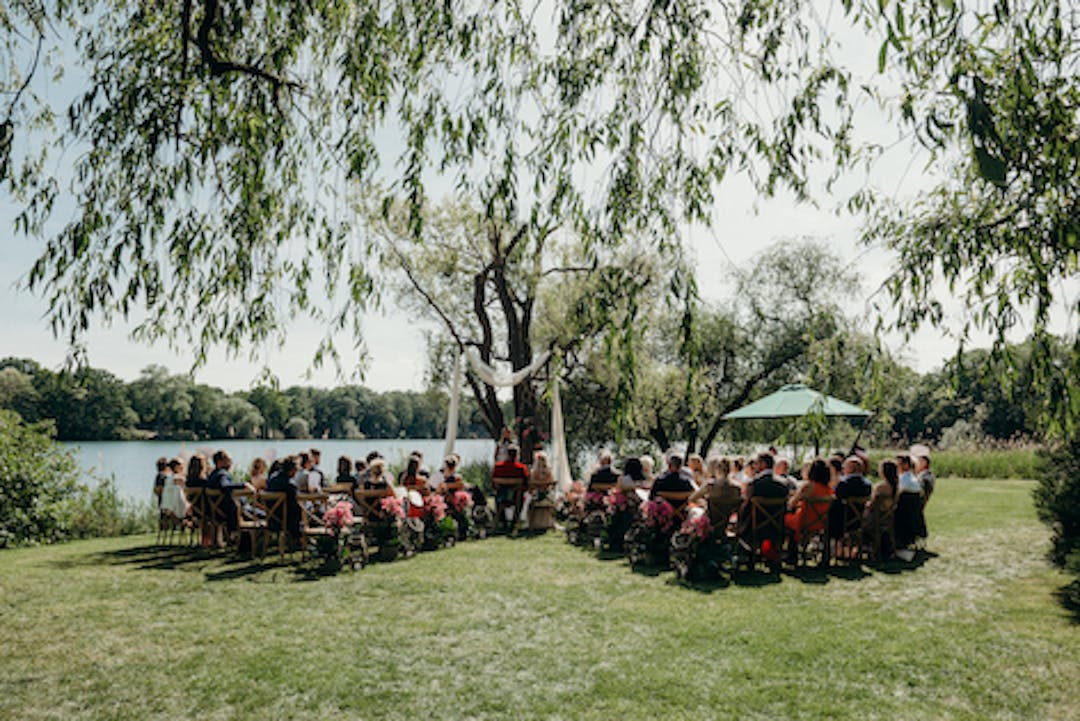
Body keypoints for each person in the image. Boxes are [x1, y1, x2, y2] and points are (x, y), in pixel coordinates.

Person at [785, 458, 834, 543]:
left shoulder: (808, 486)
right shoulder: (829, 489)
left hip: (804, 521)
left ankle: (789, 550)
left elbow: (792, 504)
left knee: (782, 519)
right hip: (822, 523)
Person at [690, 456, 741, 529]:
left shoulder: (710, 485)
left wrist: (703, 502)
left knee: (693, 510)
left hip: (710, 519)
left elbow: (691, 498)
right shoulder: (737, 488)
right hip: (728, 520)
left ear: (717, 469)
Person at [864, 459, 899, 555]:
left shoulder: (880, 487)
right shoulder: (896, 486)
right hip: (887, 518)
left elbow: (872, 505)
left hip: (875, 519)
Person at [492, 445, 529, 531]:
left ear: (507, 454)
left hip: (501, 496)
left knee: (498, 495)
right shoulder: (521, 468)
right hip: (516, 497)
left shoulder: (498, 467)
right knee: (520, 496)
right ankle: (514, 521)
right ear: (517, 455)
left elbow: (493, 484)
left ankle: (503, 522)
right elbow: (526, 483)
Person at [266, 456, 301, 540]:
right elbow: (294, 505)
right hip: (284, 519)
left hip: (270, 518)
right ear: (292, 470)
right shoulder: (289, 484)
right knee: (302, 510)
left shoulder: (272, 479)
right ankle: (299, 538)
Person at [526, 451, 556, 531]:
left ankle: (531, 524)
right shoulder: (547, 472)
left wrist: (538, 484)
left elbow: (531, 484)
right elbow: (552, 483)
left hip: (544, 494)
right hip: (544, 493)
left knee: (531, 503)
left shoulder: (536, 472)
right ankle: (533, 524)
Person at [159, 458, 191, 522]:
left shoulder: (168, 479)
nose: (183, 467)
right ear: (177, 467)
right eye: (182, 465)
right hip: (179, 508)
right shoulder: (179, 479)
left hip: (167, 507)